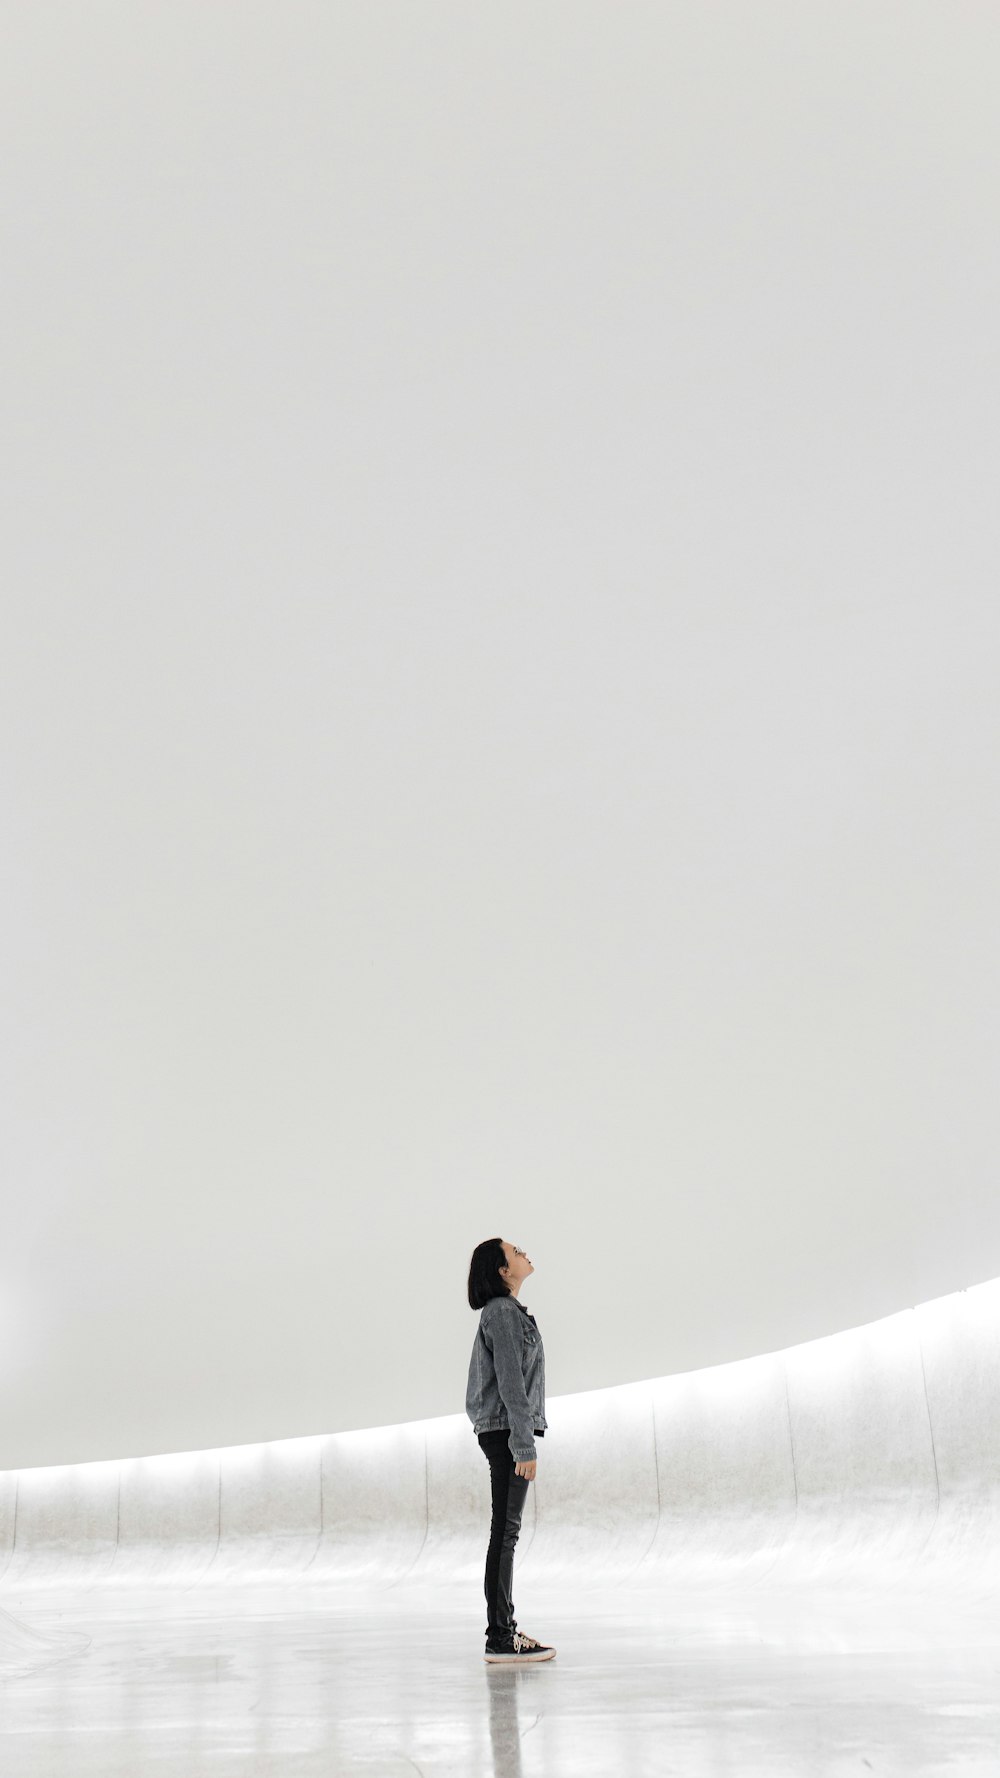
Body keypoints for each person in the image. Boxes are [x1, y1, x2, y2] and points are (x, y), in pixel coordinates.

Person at [466, 1237, 557, 1664]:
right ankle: (500, 1636)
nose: (525, 1253)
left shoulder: (507, 1312)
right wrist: (523, 1444)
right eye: (516, 1252)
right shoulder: (501, 1313)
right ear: (503, 1271)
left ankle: (503, 1631)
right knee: (505, 1533)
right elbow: (510, 1381)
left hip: (504, 1428)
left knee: (504, 1532)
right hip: (506, 1431)